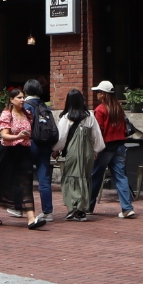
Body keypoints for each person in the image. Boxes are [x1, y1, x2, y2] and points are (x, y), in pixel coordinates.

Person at [0, 89, 46, 229]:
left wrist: (27, 136)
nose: (22, 100)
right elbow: (4, 135)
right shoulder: (7, 114)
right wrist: (18, 137)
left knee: (26, 183)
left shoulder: (28, 114)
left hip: (24, 151)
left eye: (23, 97)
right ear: (11, 99)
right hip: (8, 151)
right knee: (0, 182)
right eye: (19, 97)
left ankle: (31, 218)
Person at [86, 81, 135, 219]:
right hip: (120, 146)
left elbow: (97, 131)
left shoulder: (100, 110)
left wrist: (94, 148)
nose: (97, 94)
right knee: (121, 176)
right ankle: (127, 208)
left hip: (105, 147)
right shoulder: (118, 107)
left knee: (95, 176)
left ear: (104, 94)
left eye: (98, 92)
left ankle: (89, 206)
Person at [57, 90, 102, 221]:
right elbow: (97, 136)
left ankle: (73, 207)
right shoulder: (90, 116)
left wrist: (56, 150)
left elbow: (61, 137)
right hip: (88, 152)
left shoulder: (66, 118)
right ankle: (82, 208)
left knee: (71, 177)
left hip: (72, 152)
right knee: (85, 177)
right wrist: (95, 151)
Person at [22, 79, 58, 221]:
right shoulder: (44, 106)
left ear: (26, 90)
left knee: (24, 177)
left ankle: (20, 208)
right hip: (45, 145)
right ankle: (48, 212)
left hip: (30, 144)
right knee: (44, 179)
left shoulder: (25, 105)